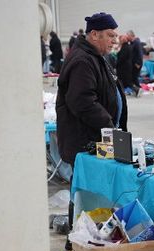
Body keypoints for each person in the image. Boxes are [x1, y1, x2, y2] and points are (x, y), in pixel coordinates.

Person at [57, 12, 127, 167]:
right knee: (92, 189)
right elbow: (83, 101)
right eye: (110, 36)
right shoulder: (82, 60)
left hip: (98, 139)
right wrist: (109, 127)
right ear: (95, 35)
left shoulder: (96, 56)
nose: (115, 41)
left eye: (115, 36)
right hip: (85, 144)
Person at [127, 30, 143, 96]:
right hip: (134, 63)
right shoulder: (132, 42)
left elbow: (139, 53)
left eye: (128, 35)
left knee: (135, 77)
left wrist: (138, 63)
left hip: (137, 63)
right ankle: (137, 90)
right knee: (133, 77)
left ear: (131, 35)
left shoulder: (136, 42)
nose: (127, 37)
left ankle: (138, 89)